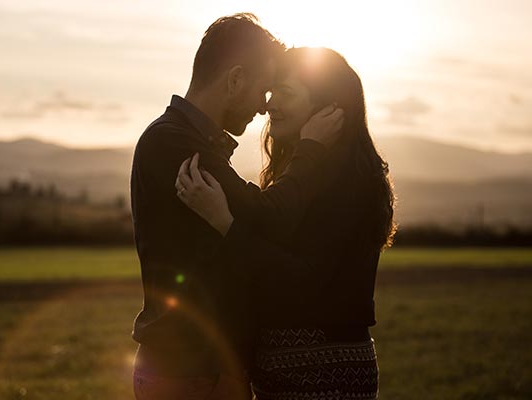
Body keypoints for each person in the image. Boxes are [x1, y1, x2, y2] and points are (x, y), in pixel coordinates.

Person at [130, 15, 346, 399]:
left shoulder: (188, 140)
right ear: (234, 80)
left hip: (204, 368)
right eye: (263, 90)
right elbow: (267, 215)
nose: (265, 108)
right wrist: (311, 149)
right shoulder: (176, 145)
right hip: (191, 371)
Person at [176, 47, 396, 400]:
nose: (269, 104)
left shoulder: (348, 182)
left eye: (286, 93)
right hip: (288, 380)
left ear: (328, 108)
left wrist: (224, 224)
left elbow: (300, 281)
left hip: (326, 379)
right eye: (272, 90)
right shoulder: (300, 175)